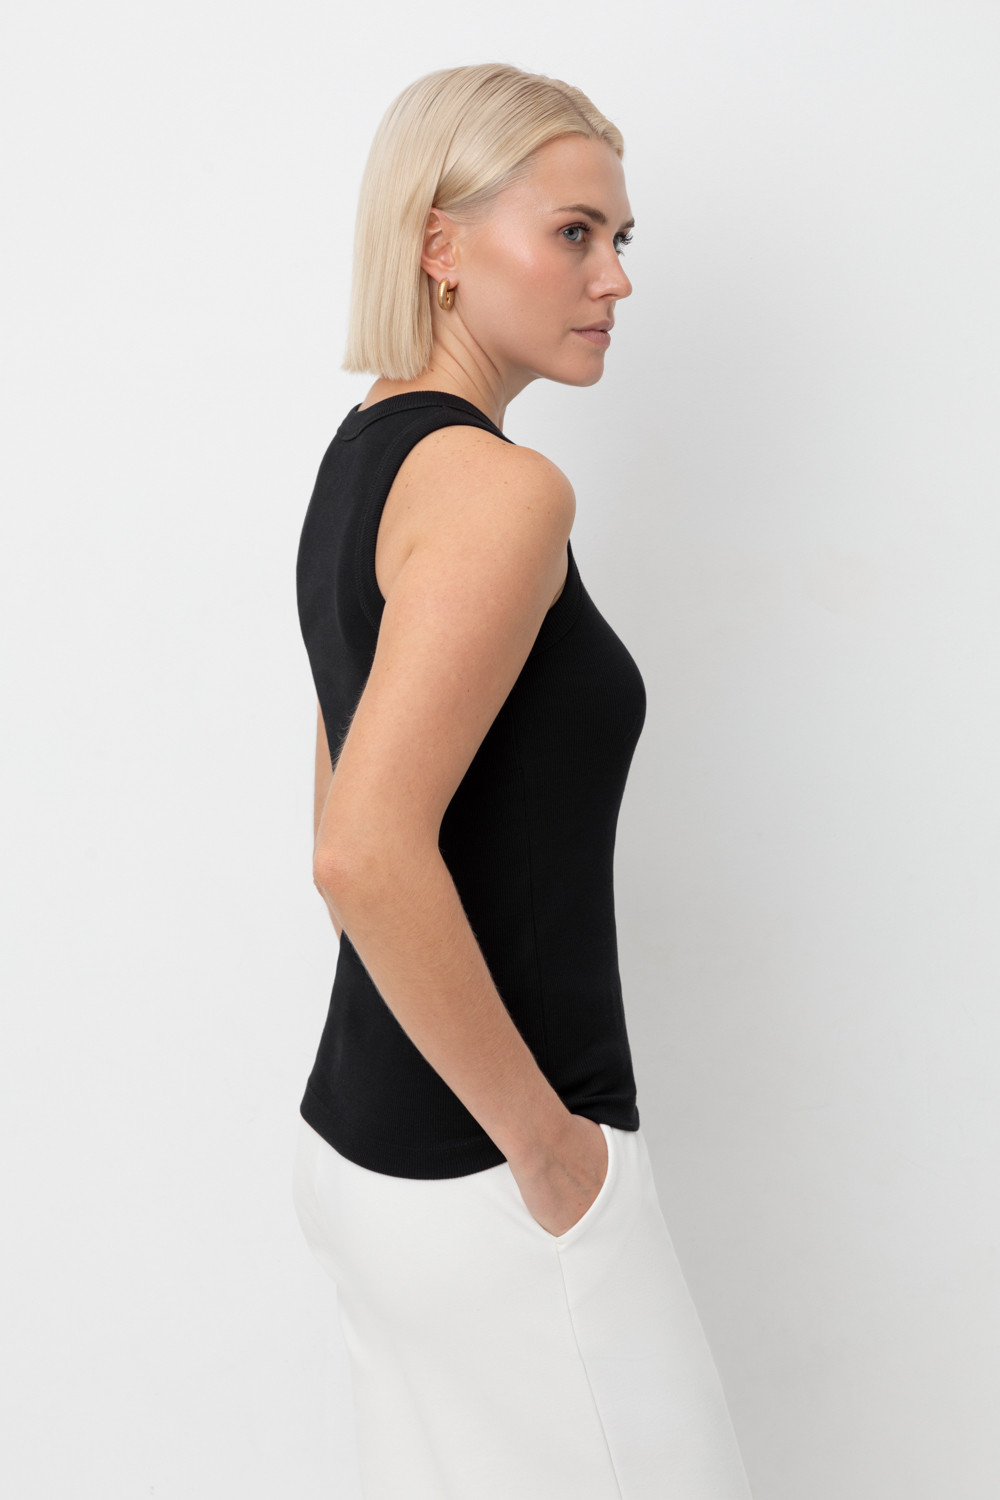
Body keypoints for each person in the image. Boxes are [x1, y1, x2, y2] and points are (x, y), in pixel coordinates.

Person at [292, 61, 755, 1500]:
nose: (616, 277)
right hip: (496, 1185)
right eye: (574, 232)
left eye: (621, 238)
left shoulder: (365, 460)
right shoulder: (500, 492)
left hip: (373, 1150)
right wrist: (550, 1154)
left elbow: (342, 816)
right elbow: (362, 852)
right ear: (441, 245)